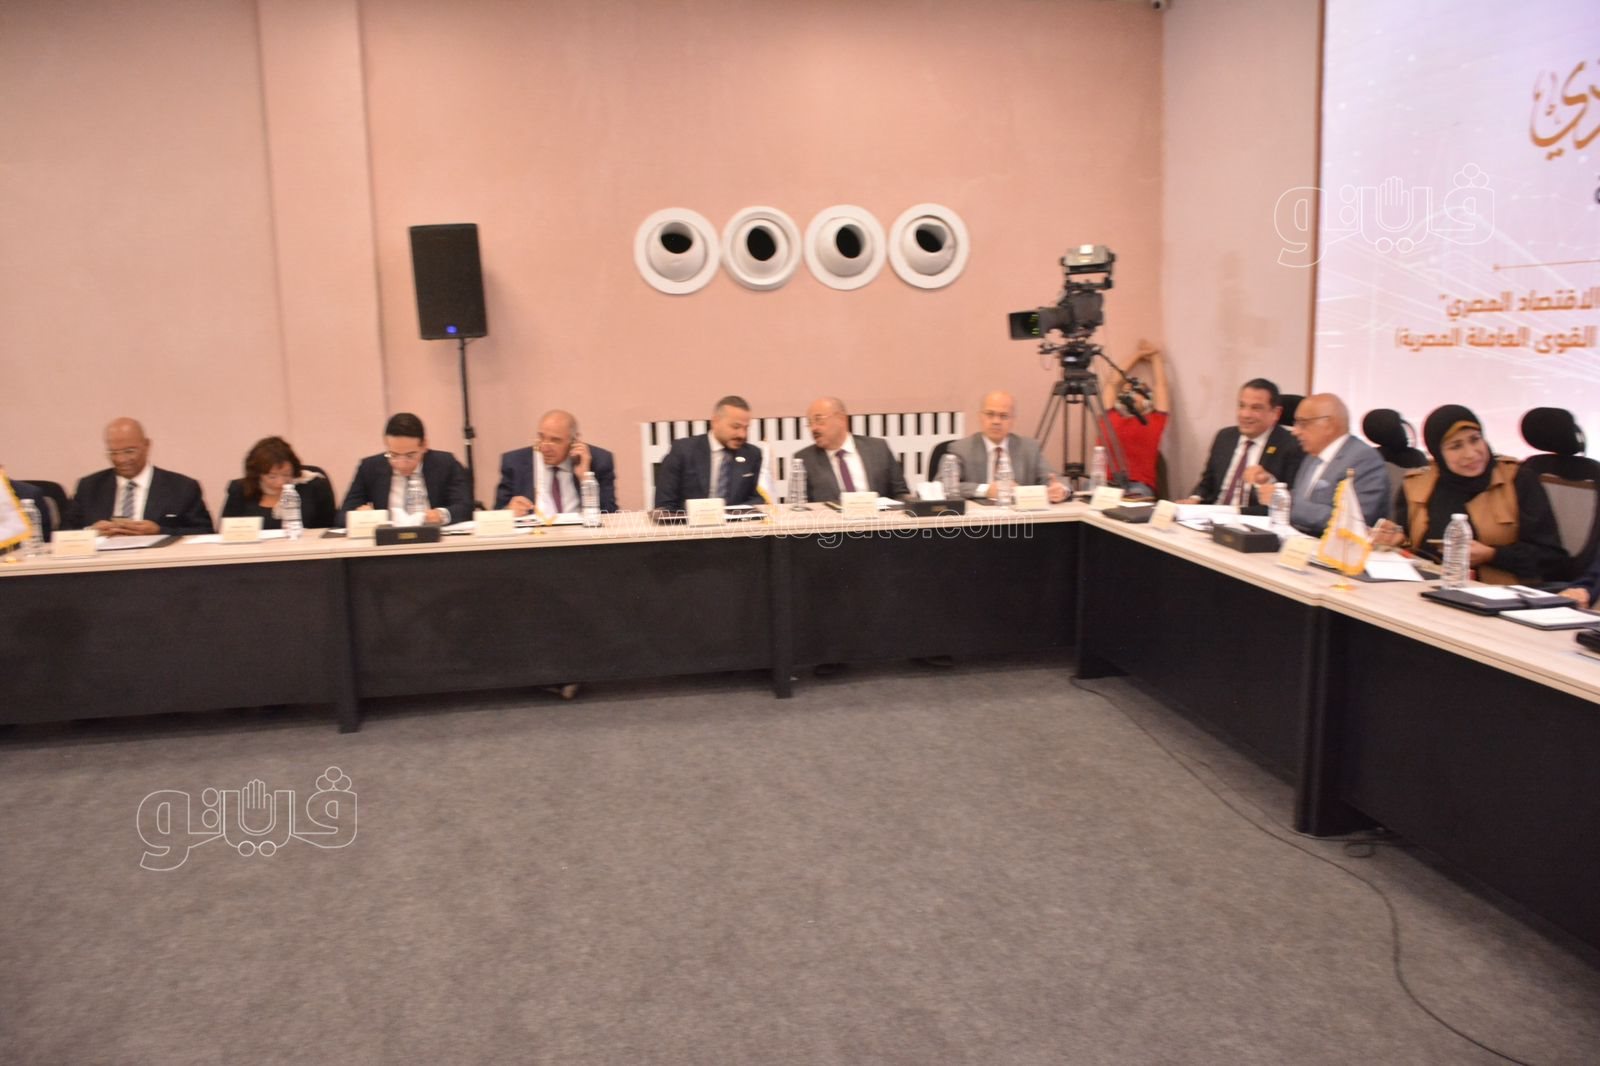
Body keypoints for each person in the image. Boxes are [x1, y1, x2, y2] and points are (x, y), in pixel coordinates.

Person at [1371, 404, 1564, 585]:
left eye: (1475, 439)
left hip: (1498, 594)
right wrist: (1396, 540)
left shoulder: (1518, 481)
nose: (1471, 454)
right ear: (1438, 453)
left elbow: (1552, 559)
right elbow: (1411, 546)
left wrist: (1493, 555)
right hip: (1423, 588)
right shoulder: (1416, 484)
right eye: (1456, 446)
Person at [1246, 392, 1388, 535]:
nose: (1295, 431)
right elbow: (1301, 498)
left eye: (1303, 423)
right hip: (1295, 540)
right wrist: (1272, 486)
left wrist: (1286, 503)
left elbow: (1351, 521)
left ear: (1329, 425)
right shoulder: (1312, 456)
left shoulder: (1363, 459)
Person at [67, 417, 213, 536]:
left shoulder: (182, 488)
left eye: (129, 451)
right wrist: (91, 532)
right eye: (113, 453)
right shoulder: (89, 487)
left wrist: (159, 531)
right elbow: (64, 534)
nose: (121, 459)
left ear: (147, 445)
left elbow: (205, 532)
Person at [1181, 378, 1303, 507]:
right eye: (1242, 406)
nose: (1245, 414)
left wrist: (1268, 481)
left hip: (1252, 516)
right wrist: (1195, 499)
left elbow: (1290, 499)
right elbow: (1207, 483)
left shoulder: (1291, 446)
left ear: (1276, 413)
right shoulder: (1225, 437)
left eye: (1256, 408)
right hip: (1214, 513)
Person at [341, 412, 471, 525]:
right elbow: (341, 516)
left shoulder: (445, 464)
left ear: (424, 445)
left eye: (410, 455)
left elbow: (466, 507)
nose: (402, 464)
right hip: (388, 541)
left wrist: (441, 514)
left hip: (434, 539)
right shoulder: (370, 467)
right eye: (393, 455)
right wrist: (359, 516)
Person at [945, 391, 1067, 503]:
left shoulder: (1029, 448)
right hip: (977, 516)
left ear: (1013, 420)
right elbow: (943, 485)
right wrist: (986, 490)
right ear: (980, 417)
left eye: (1003, 416)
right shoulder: (961, 449)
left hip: (1022, 516)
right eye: (990, 414)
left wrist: (1060, 489)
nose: (996, 421)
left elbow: (1056, 480)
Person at [495, 410, 618, 516]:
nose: (544, 447)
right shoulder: (514, 463)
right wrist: (508, 512)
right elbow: (495, 515)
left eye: (555, 440)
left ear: (574, 441)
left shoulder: (599, 461)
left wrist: (585, 479)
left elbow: (610, 515)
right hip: (534, 535)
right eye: (541, 437)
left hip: (579, 534)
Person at [654, 396, 764, 511]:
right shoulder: (683, 451)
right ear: (715, 422)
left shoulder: (752, 454)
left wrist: (729, 513)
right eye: (735, 427)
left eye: (746, 428)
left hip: (736, 520)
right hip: (689, 521)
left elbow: (758, 499)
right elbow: (664, 504)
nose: (742, 435)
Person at [793, 397, 910, 503]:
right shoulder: (805, 459)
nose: (813, 428)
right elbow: (800, 506)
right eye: (810, 423)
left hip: (880, 518)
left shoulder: (878, 448)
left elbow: (901, 494)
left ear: (841, 419)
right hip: (832, 519)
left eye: (819, 420)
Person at [1098, 340, 1170, 496]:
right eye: (1128, 390)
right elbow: (1111, 383)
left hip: (1138, 486)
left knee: (1133, 502)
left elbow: (1161, 385)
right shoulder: (1109, 417)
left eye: (1137, 390)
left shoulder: (1154, 421)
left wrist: (1155, 357)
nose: (1131, 393)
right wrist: (1138, 355)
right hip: (1106, 486)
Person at [221, 437, 337, 531]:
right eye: (272, 476)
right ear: (258, 474)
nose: (280, 482)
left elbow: (329, 528)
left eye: (286, 474)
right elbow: (226, 532)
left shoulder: (314, 485)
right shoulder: (240, 489)